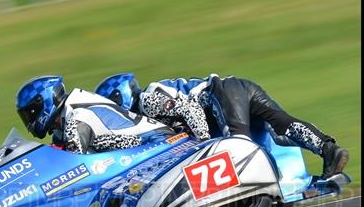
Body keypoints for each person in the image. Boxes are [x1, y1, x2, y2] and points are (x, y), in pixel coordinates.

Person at [95, 73, 349, 179]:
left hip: (222, 94)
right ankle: (329, 150)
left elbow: (191, 110)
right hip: (239, 87)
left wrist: (202, 148)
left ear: (120, 98)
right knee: (281, 128)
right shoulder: (153, 97)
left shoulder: (147, 101)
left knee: (237, 145)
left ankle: (265, 185)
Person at [15, 75, 173, 154]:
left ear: (43, 102)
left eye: (30, 114)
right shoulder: (61, 127)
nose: (29, 121)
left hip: (156, 143)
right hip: (142, 149)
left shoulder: (76, 117)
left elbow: (73, 162)